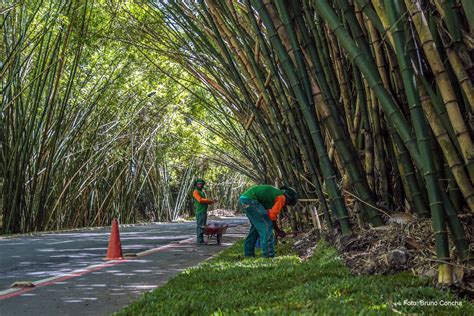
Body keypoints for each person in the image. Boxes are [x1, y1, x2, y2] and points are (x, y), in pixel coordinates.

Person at [239, 184, 298, 258]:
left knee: (256, 228)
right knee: (266, 225)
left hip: (244, 199)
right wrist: (278, 231)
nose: (285, 205)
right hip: (250, 200)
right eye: (288, 203)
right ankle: (269, 255)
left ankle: (248, 254)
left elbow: (270, 214)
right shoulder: (282, 198)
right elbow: (272, 217)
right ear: (289, 199)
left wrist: (278, 230)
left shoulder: (274, 194)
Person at [192, 179, 216, 244]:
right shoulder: (195, 191)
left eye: (201, 184)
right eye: (199, 184)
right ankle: (199, 240)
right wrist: (208, 200)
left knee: (203, 226)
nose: (200, 185)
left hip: (204, 211)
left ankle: (201, 240)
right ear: (196, 184)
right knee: (200, 226)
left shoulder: (202, 192)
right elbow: (200, 200)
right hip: (199, 211)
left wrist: (212, 201)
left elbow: (205, 201)